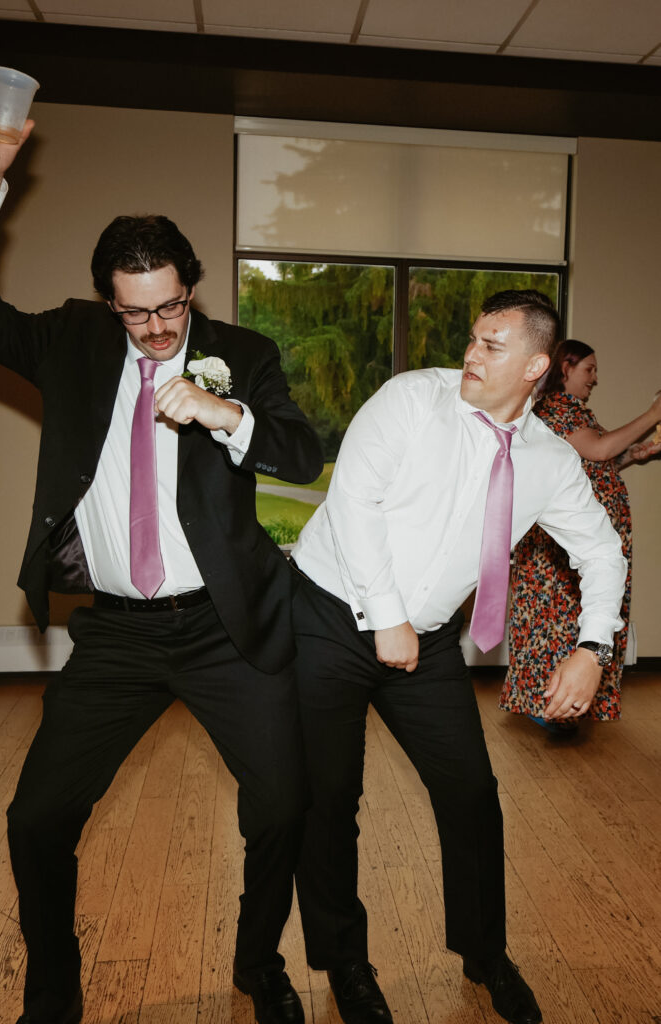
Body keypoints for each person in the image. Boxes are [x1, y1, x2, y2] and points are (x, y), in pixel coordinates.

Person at [0, 96, 323, 1024]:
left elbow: (302, 457)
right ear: (111, 299)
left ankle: (258, 963)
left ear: (192, 286)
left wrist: (228, 415)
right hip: (118, 637)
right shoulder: (71, 339)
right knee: (35, 820)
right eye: (134, 311)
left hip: (229, 626)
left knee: (281, 808)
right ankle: (53, 991)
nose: (155, 329)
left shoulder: (243, 354)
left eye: (171, 306)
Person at [289, 291, 627, 1024]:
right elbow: (352, 502)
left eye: (493, 345)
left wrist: (592, 648)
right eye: (474, 338)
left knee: (471, 796)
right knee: (330, 800)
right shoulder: (413, 399)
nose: (472, 353)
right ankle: (345, 963)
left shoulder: (549, 460)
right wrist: (386, 618)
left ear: (537, 365)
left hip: (427, 641)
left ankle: (485, 954)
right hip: (325, 618)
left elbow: (601, 550)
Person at [503, 339, 661, 733]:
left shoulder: (577, 411)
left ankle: (567, 701)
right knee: (555, 624)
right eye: (588, 369)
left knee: (574, 621)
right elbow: (601, 449)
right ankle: (553, 703)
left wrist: (634, 456)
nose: (595, 378)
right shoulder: (555, 408)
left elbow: (598, 464)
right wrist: (653, 414)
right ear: (565, 367)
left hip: (585, 538)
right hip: (563, 544)